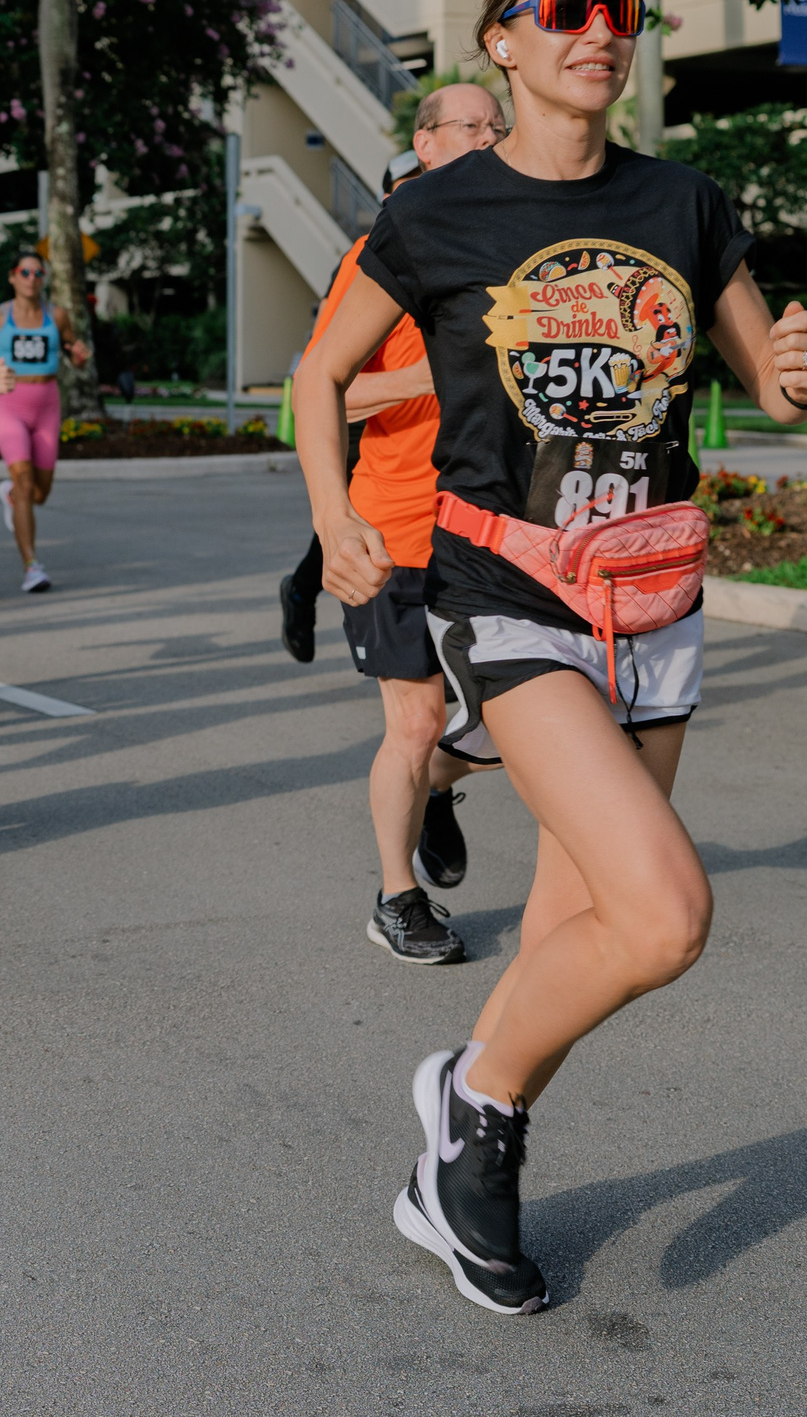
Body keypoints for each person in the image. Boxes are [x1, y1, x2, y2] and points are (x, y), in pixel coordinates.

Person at [298, 0, 807, 1315]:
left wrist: (797, 359)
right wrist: (339, 515)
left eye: (618, 8)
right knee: (665, 914)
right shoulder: (439, 212)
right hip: (507, 594)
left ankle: (465, 1150)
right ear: (507, 40)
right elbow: (320, 373)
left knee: (576, 924)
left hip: (655, 599)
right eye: (567, 8)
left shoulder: (686, 201)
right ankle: (474, 1095)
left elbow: (770, 385)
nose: (600, 29)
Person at [291, 83, 509, 968]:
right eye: (473, 126)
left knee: (525, 729)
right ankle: (397, 897)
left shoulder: (514, 253)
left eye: (500, 126)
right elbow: (326, 386)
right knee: (416, 724)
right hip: (401, 531)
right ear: (425, 143)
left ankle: (429, 796)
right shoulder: (383, 252)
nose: (492, 136)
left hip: (499, 532)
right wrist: (438, 377)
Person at [0, 251, 89, 592]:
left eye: (38, 272)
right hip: (9, 406)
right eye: (25, 271)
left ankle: (12, 497)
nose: (31, 278)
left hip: (47, 407)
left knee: (40, 492)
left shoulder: (57, 316)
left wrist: (79, 356)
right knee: (25, 480)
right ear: (12, 276)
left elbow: (75, 356)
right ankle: (32, 567)